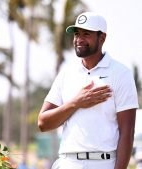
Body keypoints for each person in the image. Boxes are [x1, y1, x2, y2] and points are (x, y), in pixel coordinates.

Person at [37, 12, 139, 169]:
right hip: (67, 163)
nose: (79, 39)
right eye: (77, 34)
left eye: (86, 34)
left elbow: (127, 131)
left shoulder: (121, 74)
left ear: (102, 38)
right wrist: (76, 103)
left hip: (104, 163)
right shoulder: (66, 73)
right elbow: (43, 123)